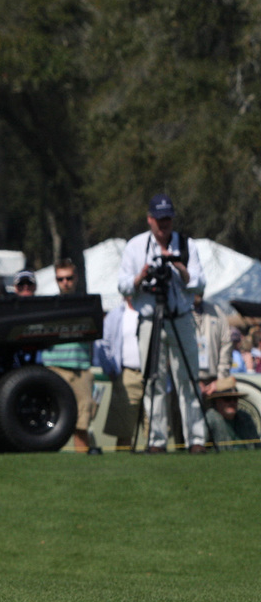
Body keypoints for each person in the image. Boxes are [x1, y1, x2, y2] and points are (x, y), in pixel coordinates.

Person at [116, 194, 206, 453]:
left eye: (167, 219)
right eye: (158, 219)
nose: (163, 225)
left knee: (188, 379)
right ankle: (156, 439)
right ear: (149, 219)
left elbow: (200, 282)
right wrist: (141, 275)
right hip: (149, 318)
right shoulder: (135, 247)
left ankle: (196, 439)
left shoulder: (187, 245)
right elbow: (122, 285)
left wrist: (179, 266)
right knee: (153, 380)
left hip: (181, 318)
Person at [40, 259, 100, 454]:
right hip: (53, 368)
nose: (65, 282)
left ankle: (82, 468)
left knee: (81, 424)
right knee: (48, 423)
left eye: (69, 278)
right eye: (60, 279)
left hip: (80, 370)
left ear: (76, 278)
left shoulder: (86, 304)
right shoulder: (49, 306)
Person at [100, 296, 144, 450]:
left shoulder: (152, 310)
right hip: (127, 375)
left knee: (156, 430)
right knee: (124, 431)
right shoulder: (115, 315)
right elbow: (103, 343)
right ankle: (124, 468)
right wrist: (110, 370)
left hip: (154, 375)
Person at [191, 290, 230, 397]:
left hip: (213, 382)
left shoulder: (216, 311)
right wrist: (191, 379)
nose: (198, 289)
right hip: (187, 382)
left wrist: (220, 380)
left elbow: (226, 344)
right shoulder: (178, 312)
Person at [203, 378, 258, 451]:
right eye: (227, 399)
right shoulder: (210, 419)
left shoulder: (245, 418)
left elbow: (257, 446)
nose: (232, 402)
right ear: (217, 401)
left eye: (235, 399)